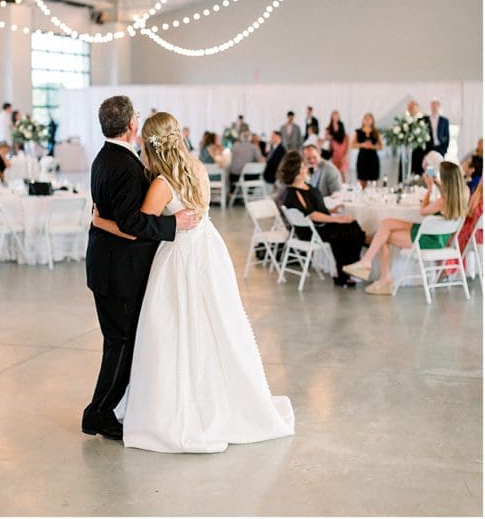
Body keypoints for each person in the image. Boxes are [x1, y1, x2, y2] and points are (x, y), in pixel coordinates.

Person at [92, 111, 293, 452]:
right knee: (213, 322)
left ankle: (177, 404)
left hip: (178, 257)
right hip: (209, 250)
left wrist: (100, 222)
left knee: (173, 325)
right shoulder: (197, 168)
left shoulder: (161, 184)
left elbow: (136, 228)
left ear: (152, 144)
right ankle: (219, 396)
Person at [81, 98, 197, 443]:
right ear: (131, 125)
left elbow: (111, 215)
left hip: (106, 266)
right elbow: (132, 225)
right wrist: (173, 224)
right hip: (119, 271)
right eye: (136, 116)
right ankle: (98, 413)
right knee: (121, 343)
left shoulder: (103, 158)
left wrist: (99, 221)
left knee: (117, 342)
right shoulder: (125, 166)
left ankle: (106, 409)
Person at [343, 161, 470, 294]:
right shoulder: (464, 192)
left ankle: (384, 278)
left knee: (381, 236)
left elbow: (423, 211)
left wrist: (429, 189)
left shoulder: (442, 201)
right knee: (386, 224)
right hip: (438, 236)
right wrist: (436, 183)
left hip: (429, 239)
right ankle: (368, 263)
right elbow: (449, 194)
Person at [279, 150, 365, 287]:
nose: (306, 168)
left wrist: (332, 210)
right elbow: (312, 215)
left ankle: (347, 270)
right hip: (312, 231)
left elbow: (315, 209)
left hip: (319, 225)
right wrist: (338, 219)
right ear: (297, 172)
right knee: (348, 231)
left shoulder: (305, 186)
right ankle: (346, 271)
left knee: (353, 228)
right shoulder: (295, 193)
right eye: (303, 166)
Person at [353, 113, 383, 188]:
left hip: (373, 158)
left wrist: (372, 146)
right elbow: (352, 145)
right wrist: (362, 145)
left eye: (369, 118)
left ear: (372, 120)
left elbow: (381, 146)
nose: (367, 120)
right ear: (363, 120)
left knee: (373, 182)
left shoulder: (376, 132)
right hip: (362, 158)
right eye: (365, 118)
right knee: (362, 181)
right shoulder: (358, 132)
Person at [325, 110, 349, 181]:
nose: (335, 117)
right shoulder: (329, 127)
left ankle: (344, 183)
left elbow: (344, 136)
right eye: (334, 115)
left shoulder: (341, 125)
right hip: (334, 148)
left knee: (342, 168)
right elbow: (327, 137)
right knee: (335, 168)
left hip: (341, 147)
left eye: (336, 115)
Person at [407, 100, 427, 178]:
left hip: (419, 153)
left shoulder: (423, 121)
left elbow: (428, 139)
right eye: (409, 107)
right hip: (406, 153)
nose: (411, 109)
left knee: (419, 176)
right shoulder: (404, 121)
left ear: (417, 109)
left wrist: (427, 155)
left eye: (413, 107)